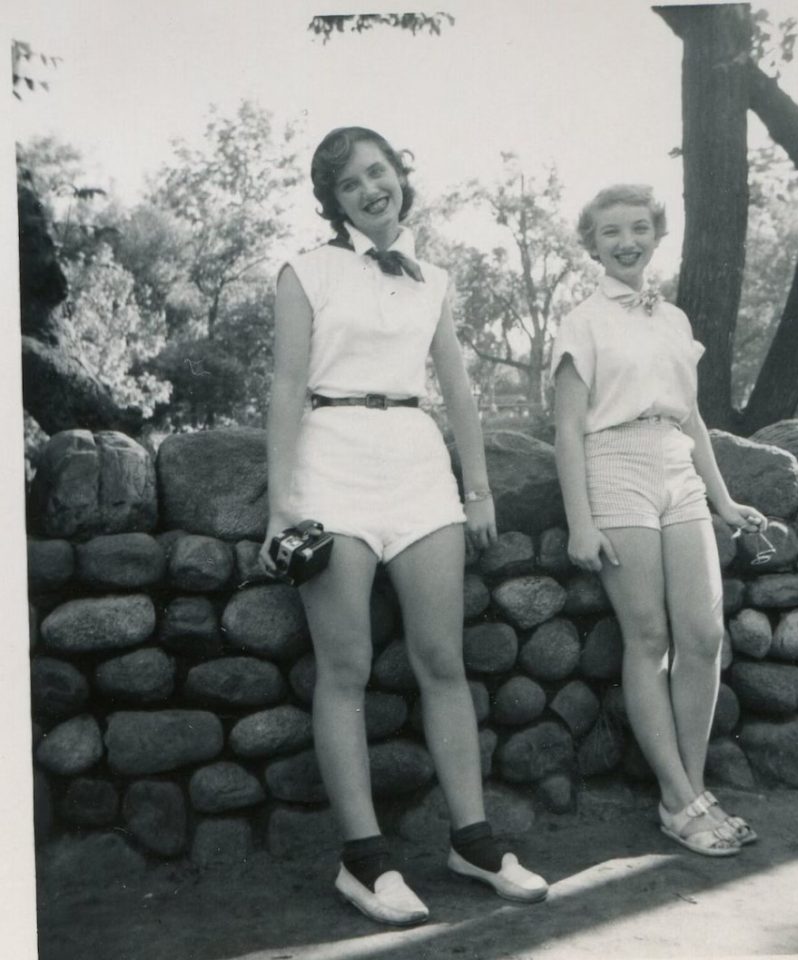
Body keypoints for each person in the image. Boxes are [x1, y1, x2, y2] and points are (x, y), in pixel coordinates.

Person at [260, 126, 547, 925]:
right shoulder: (304, 271)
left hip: (419, 468)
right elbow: (286, 390)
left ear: (400, 176)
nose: (369, 190)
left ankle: (474, 840)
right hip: (332, 465)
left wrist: (479, 487)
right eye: (350, 184)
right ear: (335, 201)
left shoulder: (433, 278)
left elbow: (458, 390)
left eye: (378, 172)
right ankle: (365, 860)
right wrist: (282, 500)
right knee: (345, 666)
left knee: (442, 660)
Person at [551, 184, 764, 857]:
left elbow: (691, 415)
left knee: (703, 635)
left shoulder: (672, 320)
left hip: (677, 466)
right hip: (613, 465)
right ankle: (683, 799)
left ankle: (686, 793)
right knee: (648, 639)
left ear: (655, 234)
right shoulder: (580, 321)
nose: (626, 242)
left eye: (638, 228)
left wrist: (723, 498)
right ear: (592, 244)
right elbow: (565, 431)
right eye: (610, 232)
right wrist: (580, 521)